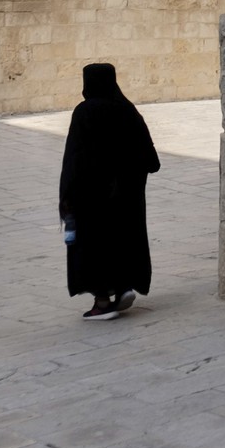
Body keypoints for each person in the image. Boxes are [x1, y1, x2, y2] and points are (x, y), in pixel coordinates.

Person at [58, 62, 161, 321]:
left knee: (94, 245)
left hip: (92, 198)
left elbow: (74, 158)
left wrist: (67, 196)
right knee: (122, 239)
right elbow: (151, 160)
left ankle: (102, 302)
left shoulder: (84, 112)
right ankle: (124, 286)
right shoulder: (128, 110)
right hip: (125, 199)